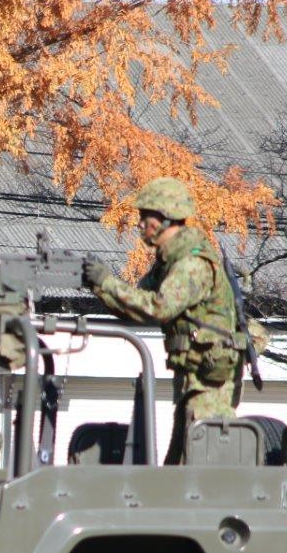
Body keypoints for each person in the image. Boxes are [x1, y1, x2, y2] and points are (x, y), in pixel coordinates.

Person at [82, 177, 249, 464]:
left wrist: (106, 283)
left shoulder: (191, 264)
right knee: (179, 467)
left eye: (145, 217)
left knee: (194, 467)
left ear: (163, 219)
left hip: (208, 387)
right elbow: (135, 305)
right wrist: (99, 285)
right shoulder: (169, 262)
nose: (140, 225)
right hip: (192, 381)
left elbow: (159, 308)